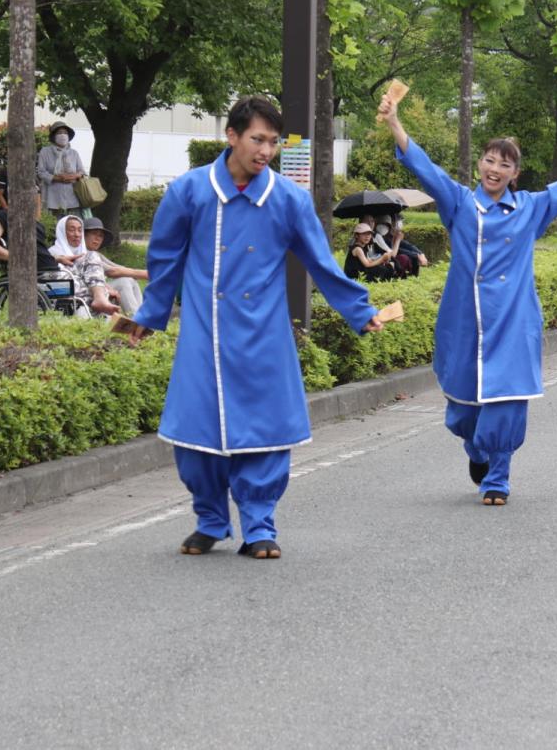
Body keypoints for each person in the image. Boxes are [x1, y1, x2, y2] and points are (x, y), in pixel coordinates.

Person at [125, 95, 383, 560]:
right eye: (257, 139)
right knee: (195, 433)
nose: (266, 151)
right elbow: (164, 258)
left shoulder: (289, 199)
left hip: (265, 334)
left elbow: (321, 262)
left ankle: (260, 525)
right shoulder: (189, 191)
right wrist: (150, 314)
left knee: (265, 433)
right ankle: (210, 519)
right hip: (205, 334)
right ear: (232, 136)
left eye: (273, 142)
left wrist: (359, 311)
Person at [378, 89, 557, 506]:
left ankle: (498, 478)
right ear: (480, 165)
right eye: (490, 160)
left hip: (513, 320)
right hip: (464, 321)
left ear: (515, 174)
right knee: (464, 410)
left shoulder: (530, 208)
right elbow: (426, 169)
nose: (495, 169)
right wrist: (395, 122)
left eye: (505, 164)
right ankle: (477, 449)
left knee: (506, 402)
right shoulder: (459, 203)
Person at [47, 215, 120, 316]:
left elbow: (94, 274)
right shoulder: (53, 253)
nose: (77, 234)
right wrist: (104, 289)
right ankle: (100, 299)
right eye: (72, 230)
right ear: (62, 232)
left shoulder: (85, 254)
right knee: (105, 291)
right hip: (63, 289)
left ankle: (101, 299)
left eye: (79, 230)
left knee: (93, 256)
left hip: (82, 290)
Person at [81, 216, 147, 315]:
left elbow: (118, 267)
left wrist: (137, 273)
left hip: (101, 288)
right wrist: (146, 274)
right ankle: (135, 319)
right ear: (84, 236)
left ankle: (142, 316)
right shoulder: (83, 253)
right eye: (94, 233)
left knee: (131, 279)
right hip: (88, 292)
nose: (97, 238)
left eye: (100, 236)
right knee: (124, 282)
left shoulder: (96, 254)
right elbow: (112, 271)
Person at [37, 121, 86, 218]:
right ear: (54, 136)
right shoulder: (45, 152)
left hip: (73, 198)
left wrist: (74, 176)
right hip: (53, 199)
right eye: (59, 133)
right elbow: (41, 172)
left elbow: (82, 172)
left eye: (65, 133)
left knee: (73, 223)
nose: (63, 135)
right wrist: (59, 178)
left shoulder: (74, 153)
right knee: (55, 224)